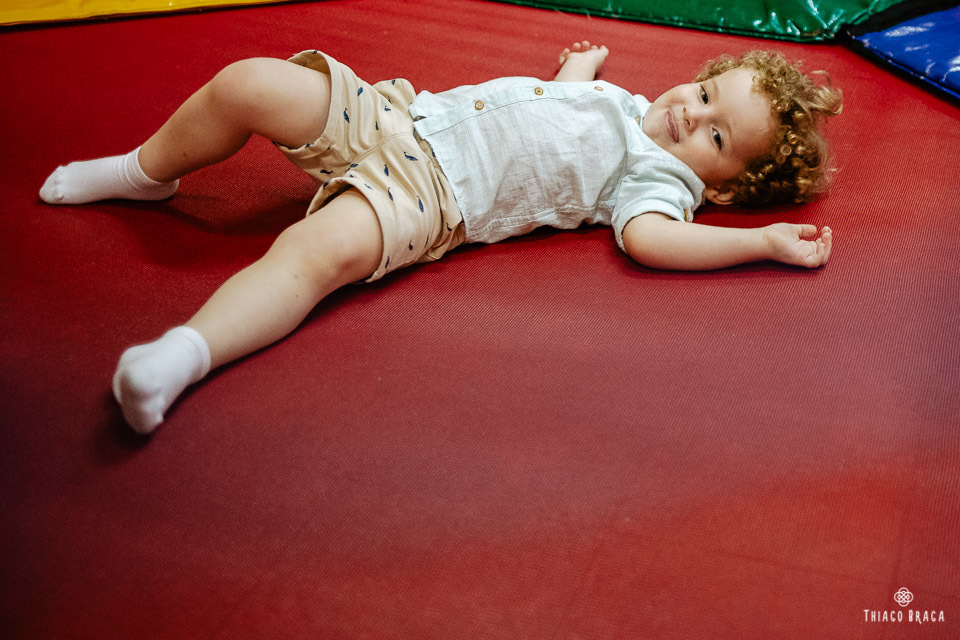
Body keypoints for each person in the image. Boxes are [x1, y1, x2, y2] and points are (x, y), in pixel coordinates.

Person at [39, 41, 842, 434]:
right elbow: (555, 114)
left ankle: (181, 354)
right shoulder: (634, 109)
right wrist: (580, 72)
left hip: (432, 191)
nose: (690, 112)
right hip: (400, 113)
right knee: (248, 82)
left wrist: (761, 242)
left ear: (724, 182)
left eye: (713, 135)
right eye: (705, 92)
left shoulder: (659, 183)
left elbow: (651, 240)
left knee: (311, 257)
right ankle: (146, 172)